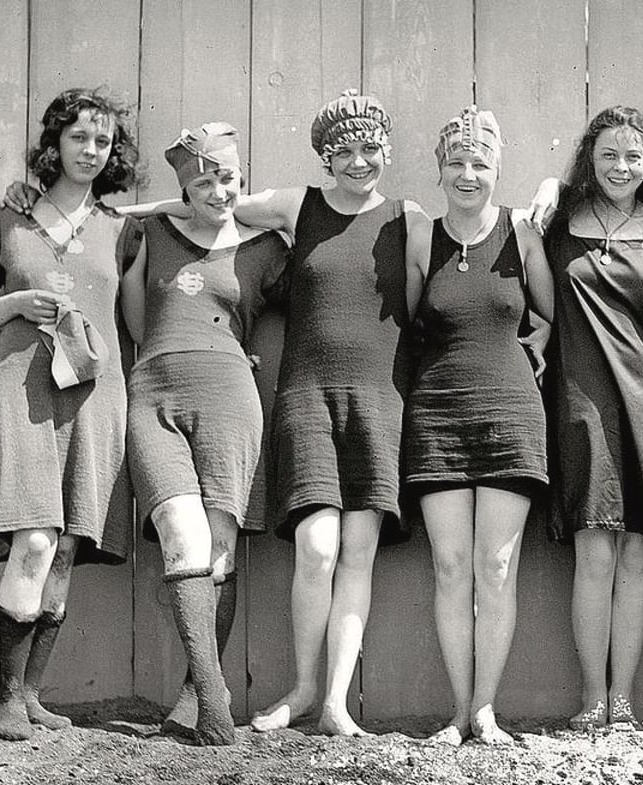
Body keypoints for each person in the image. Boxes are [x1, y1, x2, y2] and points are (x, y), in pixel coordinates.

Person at [216, 90, 432, 737]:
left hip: (379, 402)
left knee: (357, 552)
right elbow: (213, 202)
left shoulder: (407, 218)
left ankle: (335, 703)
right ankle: (304, 686)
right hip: (306, 397)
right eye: (344, 152)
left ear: (385, 151)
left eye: (370, 149)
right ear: (325, 158)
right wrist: (121, 212)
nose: (358, 161)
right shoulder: (298, 205)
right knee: (316, 549)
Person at [0, 87, 141, 741]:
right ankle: (7, 698)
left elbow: (140, 325)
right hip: (25, 391)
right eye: (78, 138)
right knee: (34, 539)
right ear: (54, 144)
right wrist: (16, 303)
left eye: (103, 141)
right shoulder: (11, 220)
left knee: (65, 549)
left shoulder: (123, 229)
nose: (90, 150)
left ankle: (33, 694)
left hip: (96, 396)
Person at [119, 123, 289, 745]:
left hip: (230, 396)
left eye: (228, 179)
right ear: (183, 190)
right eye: (203, 183)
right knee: (178, 533)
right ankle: (217, 698)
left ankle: (195, 696)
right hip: (154, 391)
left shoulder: (266, 248)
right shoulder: (152, 234)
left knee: (218, 546)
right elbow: (137, 321)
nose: (219, 193)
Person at [536, 106, 643, 730]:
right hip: (582, 404)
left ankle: (624, 702)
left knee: (635, 556)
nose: (621, 167)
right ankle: (591, 699)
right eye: (609, 154)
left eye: (633, 156)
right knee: (593, 554)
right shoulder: (558, 224)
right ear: (590, 157)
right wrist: (548, 186)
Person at [403, 107, 553, 745]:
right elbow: (404, 323)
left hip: (509, 416)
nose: (469, 174)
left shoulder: (522, 232)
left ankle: (486, 709)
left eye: (481, 164)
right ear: (440, 170)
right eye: (457, 163)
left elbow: (553, 314)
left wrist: (543, 336)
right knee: (450, 566)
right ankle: (458, 711)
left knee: (495, 566)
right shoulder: (420, 237)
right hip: (438, 415)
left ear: (497, 171)